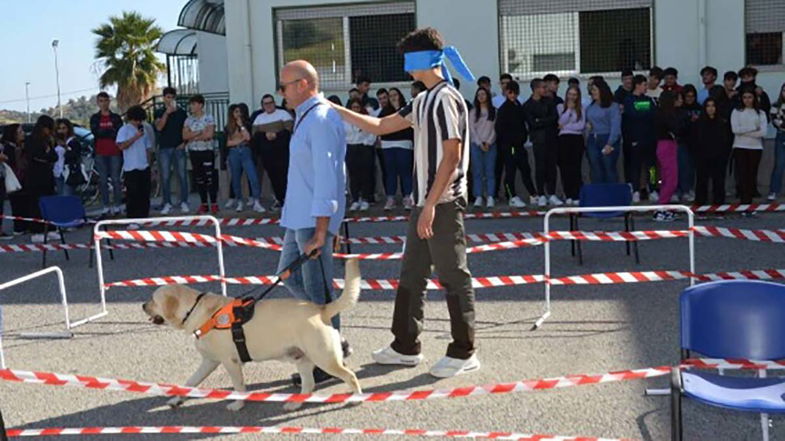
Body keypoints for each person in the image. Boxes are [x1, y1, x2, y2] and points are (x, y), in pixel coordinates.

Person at [331, 27, 480, 378]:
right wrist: (338, 110)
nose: (406, 68)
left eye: (408, 61)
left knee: (454, 276)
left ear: (424, 60)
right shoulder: (424, 99)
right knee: (411, 274)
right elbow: (382, 125)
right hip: (424, 203)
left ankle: (464, 350)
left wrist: (429, 204)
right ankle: (405, 345)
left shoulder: (445, 97)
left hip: (442, 202)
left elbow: (451, 155)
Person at [275, 59, 348, 385]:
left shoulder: (319, 119)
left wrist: (323, 228)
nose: (281, 93)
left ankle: (329, 359)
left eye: (285, 86)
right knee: (286, 274)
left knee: (318, 291)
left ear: (304, 84)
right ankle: (334, 341)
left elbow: (327, 177)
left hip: (312, 219)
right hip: (299, 216)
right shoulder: (307, 118)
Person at [495, 80, 535, 207]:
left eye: (515, 93)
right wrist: (508, 142)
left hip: (520, 145)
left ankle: (533, 194)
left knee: (525, 169)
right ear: (506, 93)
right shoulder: (503, 109)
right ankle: (511, 196)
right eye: (510, 92)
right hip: (509, 147)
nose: (513, 95)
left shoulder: (519, 106)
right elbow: (499, 129)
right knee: (510, 170)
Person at [523, 78, 561, 206]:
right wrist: (542, 121)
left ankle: (552, 193)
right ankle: (541, 194)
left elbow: (554, 118)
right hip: (538, 140)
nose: (546, 89)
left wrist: (541, 121)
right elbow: (532, 123)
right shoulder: (528, 105)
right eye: (543, 87)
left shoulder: (549, 102)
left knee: (552, 167)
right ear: (536, 89)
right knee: (540, 167)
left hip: (551, 138)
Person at [252, 94, 293, 211]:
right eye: (266, 104)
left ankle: (289, 201)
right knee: (274, 179)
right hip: (267, 155)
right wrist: (265, 135)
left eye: (271, 103)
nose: (269, 105)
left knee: (285, 177)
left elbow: (289, 131)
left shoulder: (283, 114)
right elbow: (255, 136)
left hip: (283, 153)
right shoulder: (259, 118)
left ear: (274, 103)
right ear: (262, 106)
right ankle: (280, 200)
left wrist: (276, 135)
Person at [731, 88, 768, 214]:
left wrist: (745, 132)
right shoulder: (736, 112)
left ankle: (749, 204)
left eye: (750, 97)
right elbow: (735, 130)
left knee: (751, 175)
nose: (747, 100)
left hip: (755, 148)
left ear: (754, 98)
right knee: (742, 175)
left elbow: (763, 132)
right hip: (740, 147)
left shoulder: (761, 113)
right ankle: (743, 203)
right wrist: (753, 128)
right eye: (745, 97)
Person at [378, 87, 415, 210]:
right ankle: (390, 198)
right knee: (390, 173)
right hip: (388, 145)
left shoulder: (406, 109)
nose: (393, 97)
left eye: (395, 95)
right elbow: (381, 124)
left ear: (400, 96)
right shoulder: (384, 111)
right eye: (391, 95)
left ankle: (408, 197)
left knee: (406, 172)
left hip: (404, 144)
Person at [622, 75, 658, 201]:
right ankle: (636, 190)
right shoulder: (628, 100)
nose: (646, 87)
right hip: (635, 139)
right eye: (644, 85)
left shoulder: (649, 99)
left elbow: (653, 113)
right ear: (637, 85)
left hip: (650, 139)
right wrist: (644, 111)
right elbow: (632, 114)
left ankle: (653, 188)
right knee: (635, 166)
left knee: (652, 167)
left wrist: (641, 110)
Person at [116, 105, 153, 225]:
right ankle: (132, 219)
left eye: (140, 120)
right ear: (131, 118)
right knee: (133, 195)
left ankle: (144, 217)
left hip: (144, 166)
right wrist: (135, 137)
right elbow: (121, 146)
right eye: (136, 120)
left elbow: (148, 148)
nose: (138, 122)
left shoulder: (144, 130)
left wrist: (149, 164)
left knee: (145, 194)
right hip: (131, 167)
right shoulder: (124, 130)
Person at [154, 87, 189, 215]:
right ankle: (167, 202)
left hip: (179, 148)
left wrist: (185, 143)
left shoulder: (182, 113)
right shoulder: (159, 112)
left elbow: (187, 130)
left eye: (172, 97)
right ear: (164, 98)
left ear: (175, 98)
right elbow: (159, 127)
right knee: (165, 177)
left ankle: (184, 202)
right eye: (167, 97)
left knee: (182, 175)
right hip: (164, 148)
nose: (169, 100)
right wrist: (166, 113)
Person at [653, 91, 687, 221]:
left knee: (666, 179)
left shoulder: (661, 113)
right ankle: (661, 208)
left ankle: (664, 207)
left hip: (666, 145)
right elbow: (676, 129)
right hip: (667, 146)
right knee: (671, 179)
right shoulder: (666, 116)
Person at [225, 104, 264, 213]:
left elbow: (248, 137)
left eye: (239, 111)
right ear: (232, 114)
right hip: (234, 153)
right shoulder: (228, 127)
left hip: (246, 151)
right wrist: (240, 140)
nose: (238, 114)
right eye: (236, 112)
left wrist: (241, 126)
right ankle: (239, 201)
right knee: (236, 179)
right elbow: (228, 143)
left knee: (253, 177)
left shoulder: (246, 124)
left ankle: (256, 201)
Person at [89, 92, 123, 217]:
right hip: (100, 152)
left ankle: (118, 205)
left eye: (105, 100)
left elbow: (118, 132)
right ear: (98, 103)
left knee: (116, 179)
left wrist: (105, 132)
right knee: (102, 180)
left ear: (109, 102)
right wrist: (108, 131)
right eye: (101, 101)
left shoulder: (116, 118)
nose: (103, 103)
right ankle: (105, 205)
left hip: (115, 152)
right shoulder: (94, 118)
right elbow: (96, 132)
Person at [183, 94, 218, 214]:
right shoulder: (188, 120)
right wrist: (199, 132)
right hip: (194, 152)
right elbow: (185, 136)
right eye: (190, 104)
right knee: (199, 178)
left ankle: (213, 203)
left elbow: (209, 135)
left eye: (193, 104)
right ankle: (203, 204)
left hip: (207, 151)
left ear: (200, 105)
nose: (191, 107)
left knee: (210, 178)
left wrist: (193, 136)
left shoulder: (208, 118)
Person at [25, 116, 58, 242]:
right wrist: (46, 155)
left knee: (50, 202)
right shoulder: (30, 140)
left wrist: (48, 154)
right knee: (36, 205)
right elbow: (35, 156)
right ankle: (36, 230)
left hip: (47, 176)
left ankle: (51, 228)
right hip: (34, 176)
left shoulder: (48, 141)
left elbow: (53, 157)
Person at [693, 98, 731, 206]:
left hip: (719, 157)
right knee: (701, 182)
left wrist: (724, 154)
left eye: (713, 106)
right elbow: (695, 140)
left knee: (718, 182)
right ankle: (700, 207)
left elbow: (726, 140)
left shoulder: (722, 122)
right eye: (708, 106)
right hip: (702, 157)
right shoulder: (698, 123)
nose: (710, 108)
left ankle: (719, 207)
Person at [585, 79, 622, 183]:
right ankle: (599, 194)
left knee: (609, 167)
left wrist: (610, 143)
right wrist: (588, 124)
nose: (592, 92)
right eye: (591, 90)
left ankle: (612, 195)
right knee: (595, 168)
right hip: (593, 139)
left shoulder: (613, 106)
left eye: (595, 90)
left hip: (607, 138)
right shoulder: (590, 107)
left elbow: (615, 126)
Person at [344, 98, 377, 211]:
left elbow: (373, 132)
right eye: (353, 107)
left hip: (364, 147)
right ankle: (355, 199)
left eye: (358, 107)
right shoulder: (345, 120)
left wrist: (367, 143)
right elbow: (343, 134)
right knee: (353, 175)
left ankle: (365, 199)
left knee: (365, 175)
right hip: (351, 147)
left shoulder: (366, 118)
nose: (355, 110)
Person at [556, 86, 585, 205]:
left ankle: (576, 194)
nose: (572, 97)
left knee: (575, 167)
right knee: (565, 168)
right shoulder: (560, 107)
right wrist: (568, 110)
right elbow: (560, 122)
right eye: (570, 94)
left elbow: (581, 125)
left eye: (575, 94)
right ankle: (568, 194)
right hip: (564, 140)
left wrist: (567, 127)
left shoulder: (582, 108)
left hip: (577, 139)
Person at [469, 87, 497, 208]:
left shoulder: (494, 111)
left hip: (491, 144)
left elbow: (495, 129)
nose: (481, 96)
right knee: (477, 171)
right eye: (478, 94)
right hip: (476, 145)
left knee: (490, 171)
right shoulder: (473, 112)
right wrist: (480, 143)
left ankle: (490, 196)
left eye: (483, 94)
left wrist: (489, 142)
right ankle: (478, 196)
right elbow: (472, 129)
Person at [1, 124, 29, 236]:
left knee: (23, 202)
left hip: (21, 178)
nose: (23, 134)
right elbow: (14, 162)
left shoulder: (20, 146)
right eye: (20, 132)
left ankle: (23, 225)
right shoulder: (8, 148)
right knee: (17, 203)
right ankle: (19, 227)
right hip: (14, 178)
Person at [678, 85, 702, 201]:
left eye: (692, 96)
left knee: (692, 168)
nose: (690, 99)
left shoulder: (699, 108)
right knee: (682, 167)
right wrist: (688, 120)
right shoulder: (679, 109)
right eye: (687, 96)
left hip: (696, 142)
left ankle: (690, 189)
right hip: (682, 142)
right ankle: (682, 190)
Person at [54, 118, 83, 197]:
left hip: (69, 173)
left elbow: (74, 155)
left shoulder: (73, 141)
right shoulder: (55, 142)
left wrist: (65, 147)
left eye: (64, 128)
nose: (62, 131)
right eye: (59, 129)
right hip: (57, 172)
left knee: (67, 195)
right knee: (60, 196)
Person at [768, 82, 785, 201]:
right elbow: (776, 123)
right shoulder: (775, 106)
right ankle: (774, 190)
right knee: (779, 164)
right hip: (781, 136)